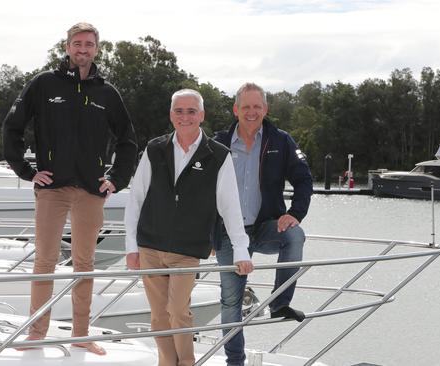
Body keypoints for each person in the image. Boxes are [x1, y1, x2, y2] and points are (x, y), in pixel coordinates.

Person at [2, 22, 137, 355]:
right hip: (53, 189)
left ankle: (81, 334)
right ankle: (37, 333)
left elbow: (128, 141)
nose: (83, 49)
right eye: (77, 43)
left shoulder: (107, 93)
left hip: (91, 191)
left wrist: (117, 178)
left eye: (89, 44)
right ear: (67, 47)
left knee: (85, 265)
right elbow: (12, 128)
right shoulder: (44, 84)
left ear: (97, 49)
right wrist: (26, 171)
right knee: (44, 262)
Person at [124, 89, 253, 366]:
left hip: (187, 250)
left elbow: (230, 207)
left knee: (178, 310)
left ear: (201, 116)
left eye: (191, 111)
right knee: (158, 315)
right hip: (150, 246)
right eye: (179, 111)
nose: (185, 117)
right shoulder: (154, 149)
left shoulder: (218, 156)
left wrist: (241, 249)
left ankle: (187, 362)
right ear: (171, 115)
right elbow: (136, 198)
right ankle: (167, 363)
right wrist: (131, 246)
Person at [213, 82, 313, 366]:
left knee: (295, 236)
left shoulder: (281, 141)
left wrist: (295, 213)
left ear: (266, 109)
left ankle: (280, 303)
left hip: (265, 226)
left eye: (257, 107)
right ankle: (235, 362)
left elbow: (304, 178)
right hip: (228, 234)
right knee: (231, 302)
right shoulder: (218, 143)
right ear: (236, 110)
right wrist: (204, 236)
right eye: (246, 107)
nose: (251, 112)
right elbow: (202, 191)